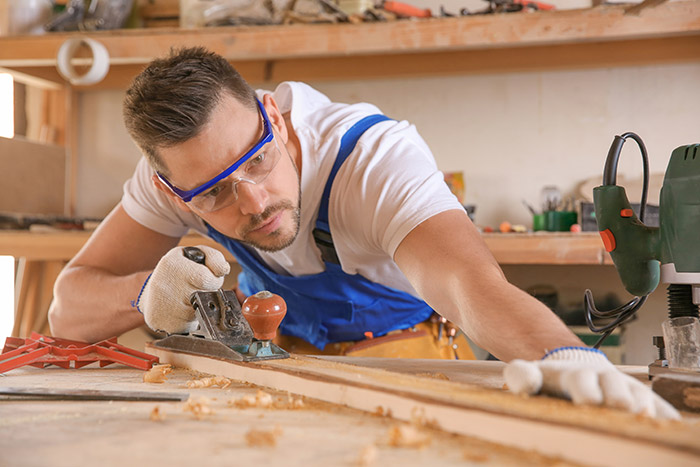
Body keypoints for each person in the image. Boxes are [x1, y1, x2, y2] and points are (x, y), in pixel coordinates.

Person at [48, 47, 678, 419]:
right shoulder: (170, 176)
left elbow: (468, 285)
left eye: (259, 160)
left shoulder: (374, 158)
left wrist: (562, 355)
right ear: (170, 190)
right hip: (287, 362)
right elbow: (66, 309)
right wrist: (143, 296)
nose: (255, 201)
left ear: (271, 114)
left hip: (410, 353)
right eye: (213, 192)